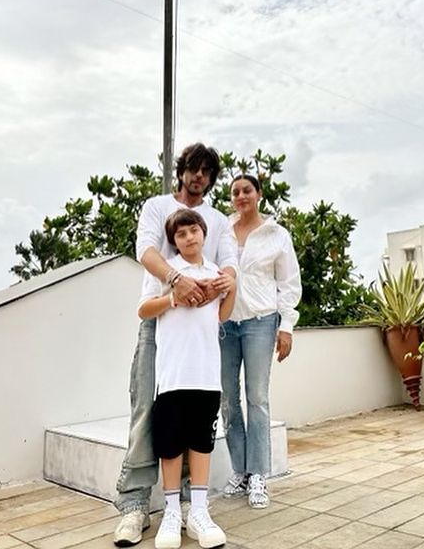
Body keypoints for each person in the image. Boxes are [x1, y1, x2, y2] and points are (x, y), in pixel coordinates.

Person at [113, 144, 237, 546]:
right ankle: (134, 504)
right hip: (160, 320)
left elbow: (229, 261)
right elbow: (145, 250)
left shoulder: (218, 220)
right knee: (147, 410)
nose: (198, 176)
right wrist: (174, 281)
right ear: (180, 170)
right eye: (192, 168)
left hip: (201, 331)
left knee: (195, 417)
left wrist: (227, 281)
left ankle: (186, 505)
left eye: (206, 171)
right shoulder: (156, 205)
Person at [139, 209, 235, 549]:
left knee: (201, 443)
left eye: (194, 230)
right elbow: (143, 310)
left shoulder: (216, 273)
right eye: (181, 234)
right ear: (174, 241)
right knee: (170, 445)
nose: (189, 238)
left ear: (203, 233)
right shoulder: (167, 271)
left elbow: (222, 315)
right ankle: (170, 512)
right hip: (173, 374)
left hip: (206, 374)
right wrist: (172, 297)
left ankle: (198, 511)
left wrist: (232, 287)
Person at [219, 174, 302, 509]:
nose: (241, 196)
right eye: (235, 192)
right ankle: (240, 469)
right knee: (227, 400)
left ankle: (258, 476)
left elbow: (289, 283)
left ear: (259, 195)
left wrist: (287, 326)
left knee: (257, 398)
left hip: (260, 323)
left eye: (247, 190)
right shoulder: (221, 231)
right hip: (224, 325)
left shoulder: (276, 235)